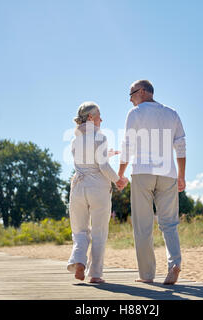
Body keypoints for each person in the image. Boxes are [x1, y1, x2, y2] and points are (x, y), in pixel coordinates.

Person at [117, 80, 186, 285]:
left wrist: (120, 174)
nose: (130, 98)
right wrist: (181, 175)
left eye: (132, 93)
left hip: (142, 172)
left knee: (143, 225)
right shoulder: (172, 113)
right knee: (170, 223)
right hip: (168, 173)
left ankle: (147, 275)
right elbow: (181, 146)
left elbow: (127, 145)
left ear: (145, 92)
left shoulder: (135, 113)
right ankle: (174, 263)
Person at [67, 101, 128, 283]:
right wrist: (118, 179)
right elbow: (102, 166)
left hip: (78, 188)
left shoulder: (74, 140)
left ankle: (79, 261)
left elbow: (87, 161)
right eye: (99, 115)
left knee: (79, 230)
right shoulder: (100, 137)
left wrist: (106, 154)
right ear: (91, 118)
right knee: (99, 231)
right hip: (98, 188)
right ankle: (95, 274)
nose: (102, 118)